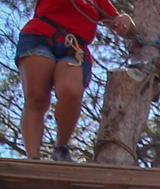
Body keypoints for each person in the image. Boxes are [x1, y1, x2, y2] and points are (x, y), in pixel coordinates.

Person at [15, 0, 136, 161]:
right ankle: (33, 158)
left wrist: (126, 20)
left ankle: (61, 148)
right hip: (40, 36)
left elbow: (120, 23)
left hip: (74, 47)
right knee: (37, 97)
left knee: (71, 91)